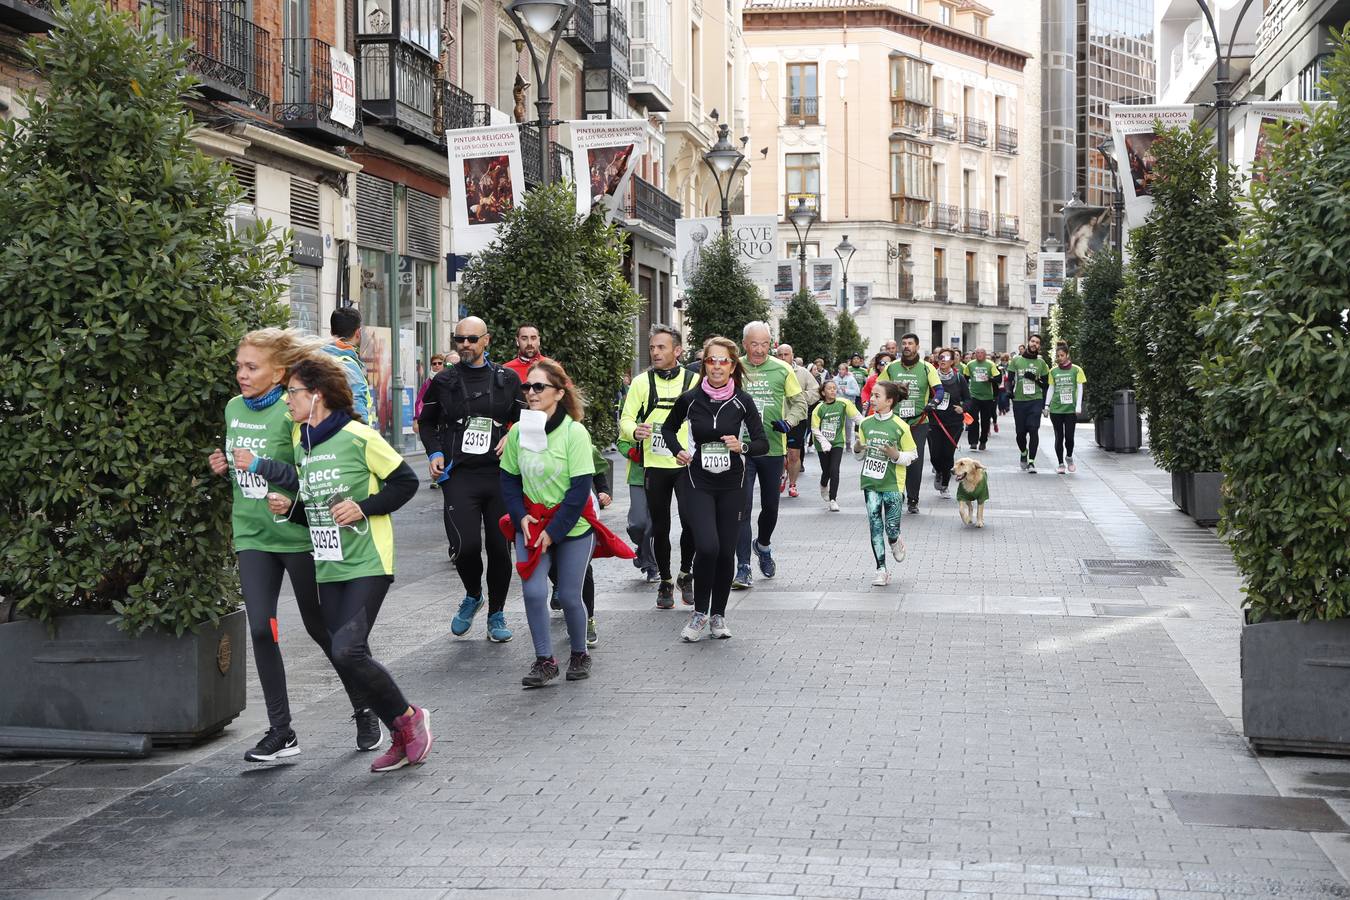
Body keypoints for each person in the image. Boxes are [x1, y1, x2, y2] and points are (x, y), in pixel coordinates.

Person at [209, 329, 380, 763]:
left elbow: (310, 473)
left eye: (252, 367)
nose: (242, 375)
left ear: (279, 372)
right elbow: (242, 466)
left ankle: (366, 706)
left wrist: (266, 468)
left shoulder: (294, 413)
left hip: (299, 534)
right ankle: (281, 731)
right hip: (252, 534)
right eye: (239, 366)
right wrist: (224, 464)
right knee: (262, 629)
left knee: (322, 629)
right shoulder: (232, 409)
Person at [269, 355, 432, 773]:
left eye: (293, 392)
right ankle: (400, 731)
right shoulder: (303, 443)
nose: (287, 400)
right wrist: (291, 508)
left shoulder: (358, 436)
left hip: (368, 560)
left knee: (348, 648)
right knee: (345, 656)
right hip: (330, 564)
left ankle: (409, 719)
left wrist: (363, 508)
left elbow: (405, 482)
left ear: (316, 395)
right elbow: (316, 511)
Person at [499, 360, 630, 686]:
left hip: (571, 525)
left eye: (538, 387)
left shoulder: (574, 433)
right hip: (531, 521)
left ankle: (579, 652)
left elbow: (577, 491)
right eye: (527, 387)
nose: (530, 392)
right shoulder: (518, 431)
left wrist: (553, 532)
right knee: (532, 591)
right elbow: (509, 479)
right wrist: (520, 517)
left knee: (570, 595)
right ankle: (545, 661)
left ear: (558, 392)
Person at [417, 316, 522, 642]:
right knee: (464, 546)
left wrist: (513, 433)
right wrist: (434, 453)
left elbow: (526, 419)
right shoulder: (443, 381)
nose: (464, 344)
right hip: (459, 475)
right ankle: (473, 595)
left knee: (499, 548)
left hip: (499, 475)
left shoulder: (507, 379)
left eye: (471, 339)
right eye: (459, 339)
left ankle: (496, 613)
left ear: (486, 341)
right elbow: (426, 423)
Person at [661, 337, 768, 642]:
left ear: (733, 366)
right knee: (707, 546)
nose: (717, 366)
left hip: (733, 483)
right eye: (711, 360)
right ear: (703, 364)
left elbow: (762, 443)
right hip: (698, 481)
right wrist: (677, 450)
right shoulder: (691, 399)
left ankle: (718, 615)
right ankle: (699, 613)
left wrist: (742, 445)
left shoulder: (743, 401)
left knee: (724, 553)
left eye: (723, 361)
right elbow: (668, 428)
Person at [618, 325, 699, 608]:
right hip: (655, 465)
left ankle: (686, 574)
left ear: (677, 350)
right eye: (652, 347)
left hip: (686, 463)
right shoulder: (641, 382)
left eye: (661, 347)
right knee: (660, 526)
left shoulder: (694, 380)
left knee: (691, 522)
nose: (655, 352)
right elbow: (626, 418)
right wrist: (633, 431)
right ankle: (665, 581)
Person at [734, 322, 807, 588]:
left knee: (771, 507)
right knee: (741, 509)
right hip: (741, 449)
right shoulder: (734, 367)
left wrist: (788, 421)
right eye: (754, 344)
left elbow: (800, 403)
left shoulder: (782, 368)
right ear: (744, 344)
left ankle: (762, 546)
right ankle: (742, 567)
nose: (760, 350)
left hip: (772, 447)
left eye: (765, 344)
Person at [855, 381, 918, 586]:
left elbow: (913, 455)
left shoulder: (901, 426)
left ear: (889, 401)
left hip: (893, 484)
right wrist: (857, 449)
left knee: (890, 528)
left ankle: (895, 540)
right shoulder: (865, 424)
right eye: (871, 395)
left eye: (876, 396)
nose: (872, 399)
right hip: (870, 482)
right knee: (874, 524)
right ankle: (881, 569)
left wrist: (896, 455)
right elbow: (860, 455)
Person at [880, 334, 942, 515]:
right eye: (904, 343)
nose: (906, 346)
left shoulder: (926, 367)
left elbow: (939, 390)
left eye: (910, 344)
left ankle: (913, 498)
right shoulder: (891, 367)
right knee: (894, 458)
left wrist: (933, 403)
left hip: (918, 421)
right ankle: (897, 493)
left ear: (917, 346)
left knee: (914, 460)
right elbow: (879, 387)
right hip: (895, 421)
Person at [811, 379, 862, 511]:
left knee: (834, 470)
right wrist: (823, 442)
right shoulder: (819, 408)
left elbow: (857, 417)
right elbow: (815, 429)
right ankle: (823, 485)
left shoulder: (844, 403)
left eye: (834, 388)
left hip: (838, 441)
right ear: (823, 392)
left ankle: (833, 499)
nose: (833, 390)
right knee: (826, 471)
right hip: (821, 443)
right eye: (829, 388)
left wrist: (867, 426)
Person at [776, 343, 819, 499]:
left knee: (794, 454)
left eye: (786, 354)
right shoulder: (773, 371)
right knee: (779, 454)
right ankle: (781, 476)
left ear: (792, 355)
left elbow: (816, 391)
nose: (783, 357)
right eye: (780, 355)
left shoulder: (802, 373)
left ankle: (792, 484)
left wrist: (800, 398)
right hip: (776, 419)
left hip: (797, 419)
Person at [927, 348, 970, 498]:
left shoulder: (959, 378)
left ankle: (944, 484)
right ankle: (938, 470)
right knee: (935, 455)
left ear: (952, 361)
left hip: (953, 422)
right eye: (940, 357)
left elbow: (969, 399)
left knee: (947, 454)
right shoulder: (931, 377)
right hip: (934, 421)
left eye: (946, 358)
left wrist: (963, 408)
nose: (943, 360)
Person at [1007, 333, 1051, 473]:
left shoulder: (1041, 363)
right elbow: (1009, 379)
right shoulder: (1016, 360)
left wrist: (1035, 379)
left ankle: (1031, 461)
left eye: (1037, 342)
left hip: (1035, 400)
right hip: (1019, 401)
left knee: (1033, 429)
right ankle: (1023, 452)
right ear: (1028, 342)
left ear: (1039, 346)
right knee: (1020, 433)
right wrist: (1009, 391)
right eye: (1033, 341)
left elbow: (1046, 385)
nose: (1034, 344)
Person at [322, 307, 374, 423]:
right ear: (358, 333)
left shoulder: (317, 358)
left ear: (331, 332)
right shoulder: (349, 365)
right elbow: (357, 406)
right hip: (346, 435)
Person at [1047, 342, 1087, 474]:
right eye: (1058, 356)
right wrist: (1047, 405)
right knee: (1059, 436)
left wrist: (1078, 405)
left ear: (1067, 355)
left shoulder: (1076, 370)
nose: (1060, 358)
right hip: (1056, 409)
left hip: (1070, 409)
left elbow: (1080, 388)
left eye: (1062, 355)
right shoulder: (1053, 371)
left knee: (1069, 437)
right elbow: (1051, 389)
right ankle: (1060, 463)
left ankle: (1069, 457)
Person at [962, 348, 1000, 452]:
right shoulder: (970, 365)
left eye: (981, 353)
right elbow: (965, 378)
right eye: (977, 353)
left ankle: (983, 441)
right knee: (973, 419)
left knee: (985, 420)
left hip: (987, 397)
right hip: (973, 396)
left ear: (985, 354)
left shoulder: (990, 364)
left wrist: (989, 379)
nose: (979, 355)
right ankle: (973, 442)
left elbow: (998, 378)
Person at [834, 363, 862, 451]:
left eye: (843, 369)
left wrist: (846, 391)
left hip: (849, 404)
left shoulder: (851, 379)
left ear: (846, 371)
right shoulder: (835, 379)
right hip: (838, 404)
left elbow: (857, 392)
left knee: (848, 425)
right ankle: (837, 443)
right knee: (837, 424)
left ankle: (848, 443)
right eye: (839, 369)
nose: (841, 371)